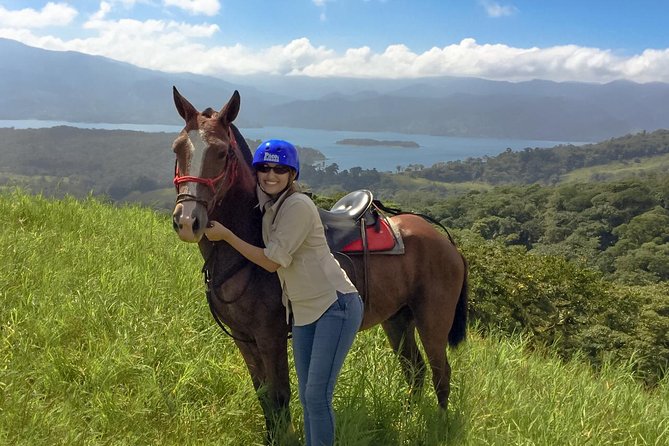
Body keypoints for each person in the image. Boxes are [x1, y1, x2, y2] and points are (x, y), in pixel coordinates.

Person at [204, 139, 364, 446]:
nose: (270, 175)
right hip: (303, 311)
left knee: (317, 396)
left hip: (335, 305)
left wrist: (226, 236)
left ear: (292, 174)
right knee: (306, 395)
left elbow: (272, 260)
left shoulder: (297, 206)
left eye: (280, 169)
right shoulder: (270, 208)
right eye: (264, 168)